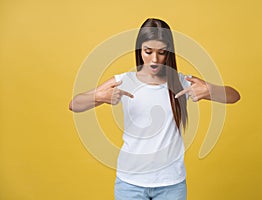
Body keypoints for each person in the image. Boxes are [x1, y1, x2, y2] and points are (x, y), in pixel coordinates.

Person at [69, 18, 240, 200]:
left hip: (171, 184)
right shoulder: (124, 81)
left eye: (162, 53)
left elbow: (234, 96)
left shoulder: (181, 82)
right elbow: (75, 104)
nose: (154, 59)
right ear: (139, 50)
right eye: (148, 52)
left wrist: (209, 91)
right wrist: (99, 97)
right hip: (130, 184)